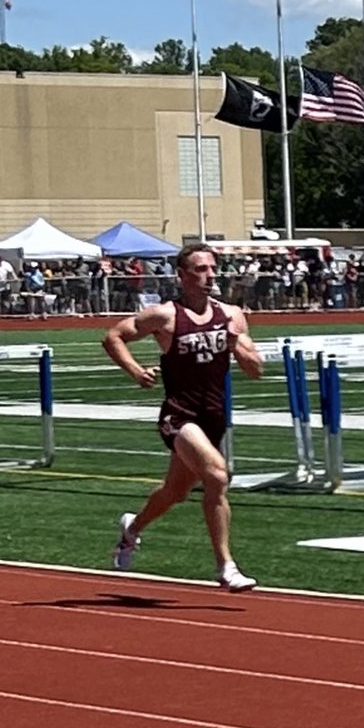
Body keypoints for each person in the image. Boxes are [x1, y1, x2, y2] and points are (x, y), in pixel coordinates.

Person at [102, 242, 263, 591]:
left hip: (213, 417)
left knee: (174, 493)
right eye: (200, 270)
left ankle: (132, 528)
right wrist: (134, 371)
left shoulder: (232, 315)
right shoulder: (166, 316)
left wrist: (235, 344)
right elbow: (114, 336)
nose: (209, 276)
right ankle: (226, 566)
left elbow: (256, 370)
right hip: (178, 415)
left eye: (212, 269)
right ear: (182, 275)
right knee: (218, 476)